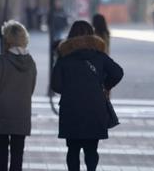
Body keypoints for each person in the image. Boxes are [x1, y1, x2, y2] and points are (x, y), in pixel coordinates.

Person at [52, 20, 124, 171]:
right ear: (92, 35)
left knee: (72, 149)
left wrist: (70, 90)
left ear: (71, 36)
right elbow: (118, 73)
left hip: (71, 109)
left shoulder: (64, 57)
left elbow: (56, 85)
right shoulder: (99, 56)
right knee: (91, 149)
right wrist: (105, 86)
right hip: (95, 108)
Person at [0, 20, 37, 171]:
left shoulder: (1, 60)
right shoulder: (31, 62)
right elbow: (31, 88)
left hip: (2, 113)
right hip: (22, 114)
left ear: (7, 39)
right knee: (17, 154)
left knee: (1, 153)